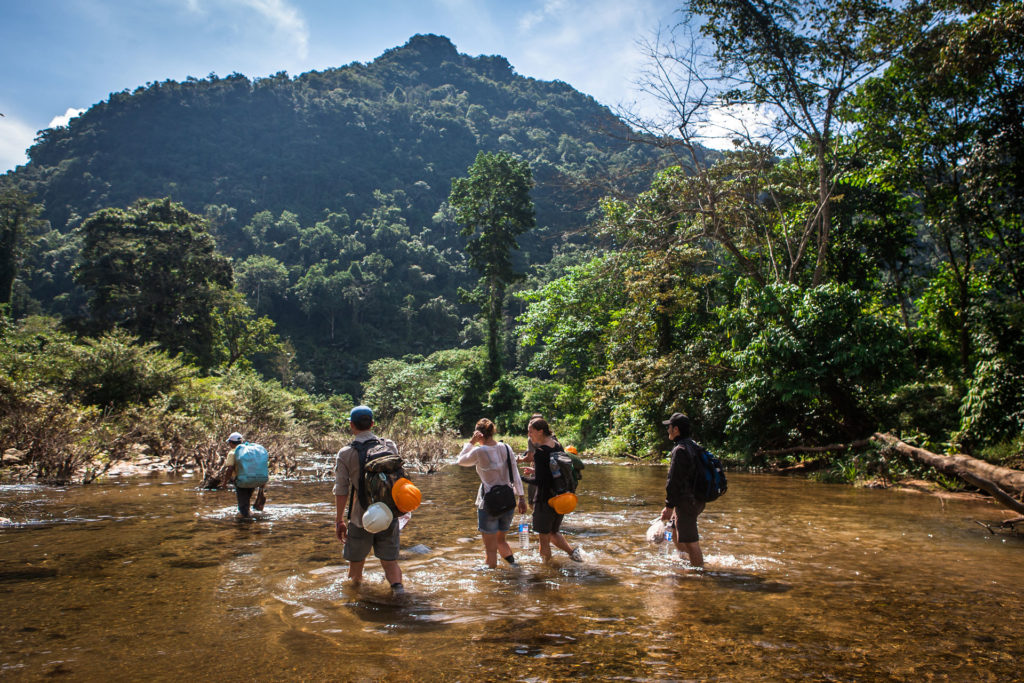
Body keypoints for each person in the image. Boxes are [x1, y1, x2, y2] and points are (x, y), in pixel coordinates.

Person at [333, 405, 405, 591]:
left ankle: (356, 601)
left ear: (351, 425)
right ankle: (399, 593)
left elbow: (342, 490)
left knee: (356, 567)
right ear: (372, 424)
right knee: (390, 563)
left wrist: (339, 520)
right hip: (389, 513)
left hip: (360, 517)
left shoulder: (345, 453)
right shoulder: (389, 445)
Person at [457, 418, 527, 568]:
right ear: (493, 432)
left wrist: (471, 442)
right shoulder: (506, 447)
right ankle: (515, 568)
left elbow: (461, 461)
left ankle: (491, 581)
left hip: (489, 504)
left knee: (490, 551)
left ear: (478, 434)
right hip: (508, 501)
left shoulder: (478, 451)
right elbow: (515, 474)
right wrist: (521, 498)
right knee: (501, 540)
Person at [522, 417, 583, 563]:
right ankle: (574, 554)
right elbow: (554, 471)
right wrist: (534, 470)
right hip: (560, 496)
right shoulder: (557, 445)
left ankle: (546, 569)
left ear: (540, 431)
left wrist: (520, 479)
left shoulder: (540, 452)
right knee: (553, 532)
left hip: (545, 500)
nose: (529, 435)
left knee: (544, 538)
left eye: (531, 432)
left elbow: (540, 482)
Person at [660, 412, 705, 567]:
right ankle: (685, 561)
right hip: (697, 499)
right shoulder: (694, 446)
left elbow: (673, 481)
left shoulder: (680, 450)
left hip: (687, 502)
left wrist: (668, 506)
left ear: (676, 429)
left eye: (669, 427)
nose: (668, 431)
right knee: (673, 531)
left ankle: (699, 575)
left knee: (691, 542)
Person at [220, 432, 267, 519]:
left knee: (242, 505)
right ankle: (250, 515)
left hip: (242, 481)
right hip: (253, 479)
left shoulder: (232, 452)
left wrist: (224, 482)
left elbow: (230, 468)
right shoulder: (249, 451)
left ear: (231, 442)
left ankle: (246, 523)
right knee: (247, 500)